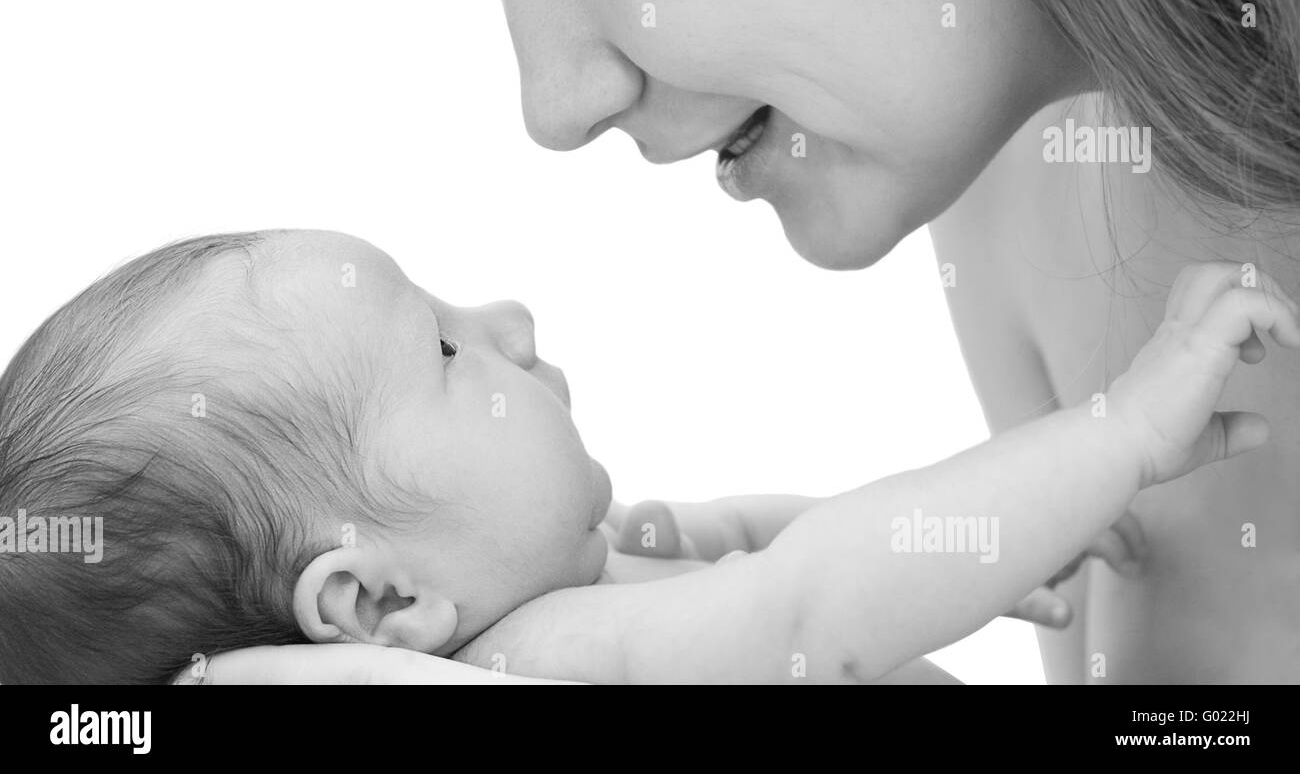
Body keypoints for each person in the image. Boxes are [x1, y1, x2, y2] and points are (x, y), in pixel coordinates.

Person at [220, 0, 1300, 683]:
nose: (553, 107)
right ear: (364, 602)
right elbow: (796, 582)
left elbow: (781, 553)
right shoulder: (1025, 177)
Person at [0, 230, 1290, 683]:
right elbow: (812, 600)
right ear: (381, 604)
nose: (505, 320)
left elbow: (772, 539)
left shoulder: (595, 583)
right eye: (446, 354)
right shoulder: (555, 660)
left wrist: (989, 541)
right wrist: (1111, 436)